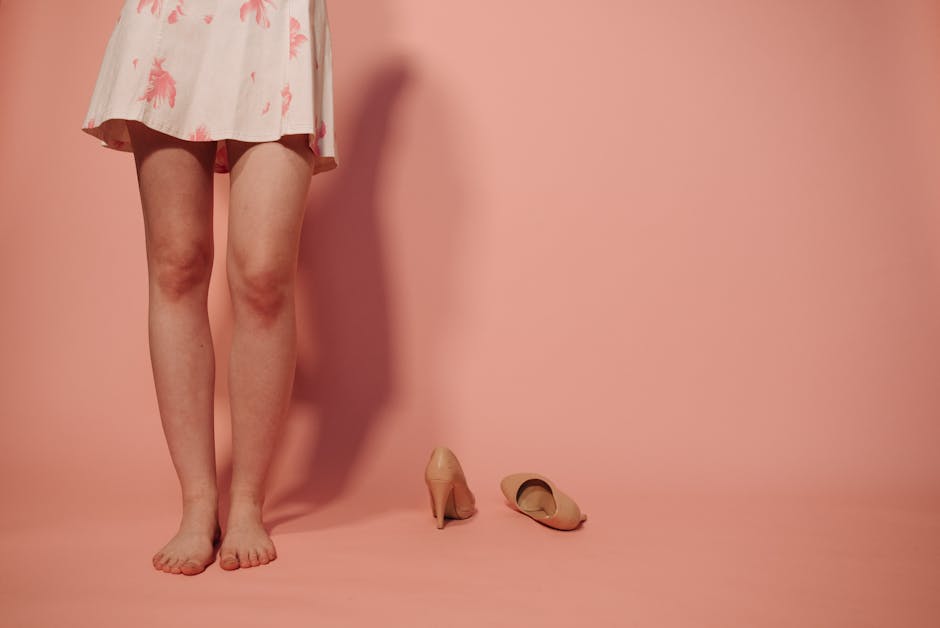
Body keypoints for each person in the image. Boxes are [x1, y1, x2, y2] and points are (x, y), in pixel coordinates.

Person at [80, 0, 339, 576]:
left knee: (265, 273)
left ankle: (247, 501)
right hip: (173, 18)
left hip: (277, 22)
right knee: (177, 263)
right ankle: (198, 504)